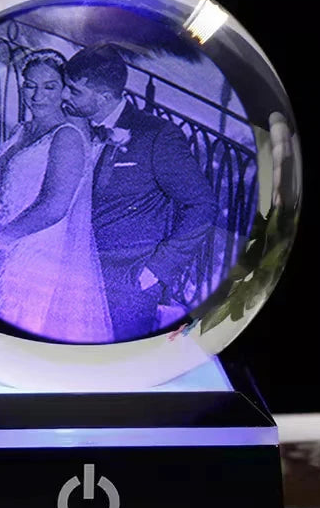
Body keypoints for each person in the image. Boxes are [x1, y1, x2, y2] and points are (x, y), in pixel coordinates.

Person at [63, 44, 217, 341]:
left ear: (103, 97)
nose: (64, 96)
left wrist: (156, 270)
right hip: (73, 272)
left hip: (127, 283)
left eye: (74, 91)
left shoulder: (157, 135)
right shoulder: (73, 126)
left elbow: (202, 205)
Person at [0, 49, 114, 343]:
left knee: (20, 328)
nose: (37, 96)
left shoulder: (68, 136)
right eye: (30, 85)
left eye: (49, 87)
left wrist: (2, 236)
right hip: (5, 244)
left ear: (64, 90)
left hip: (37, 253)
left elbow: (54, 206)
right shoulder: (22, 130)